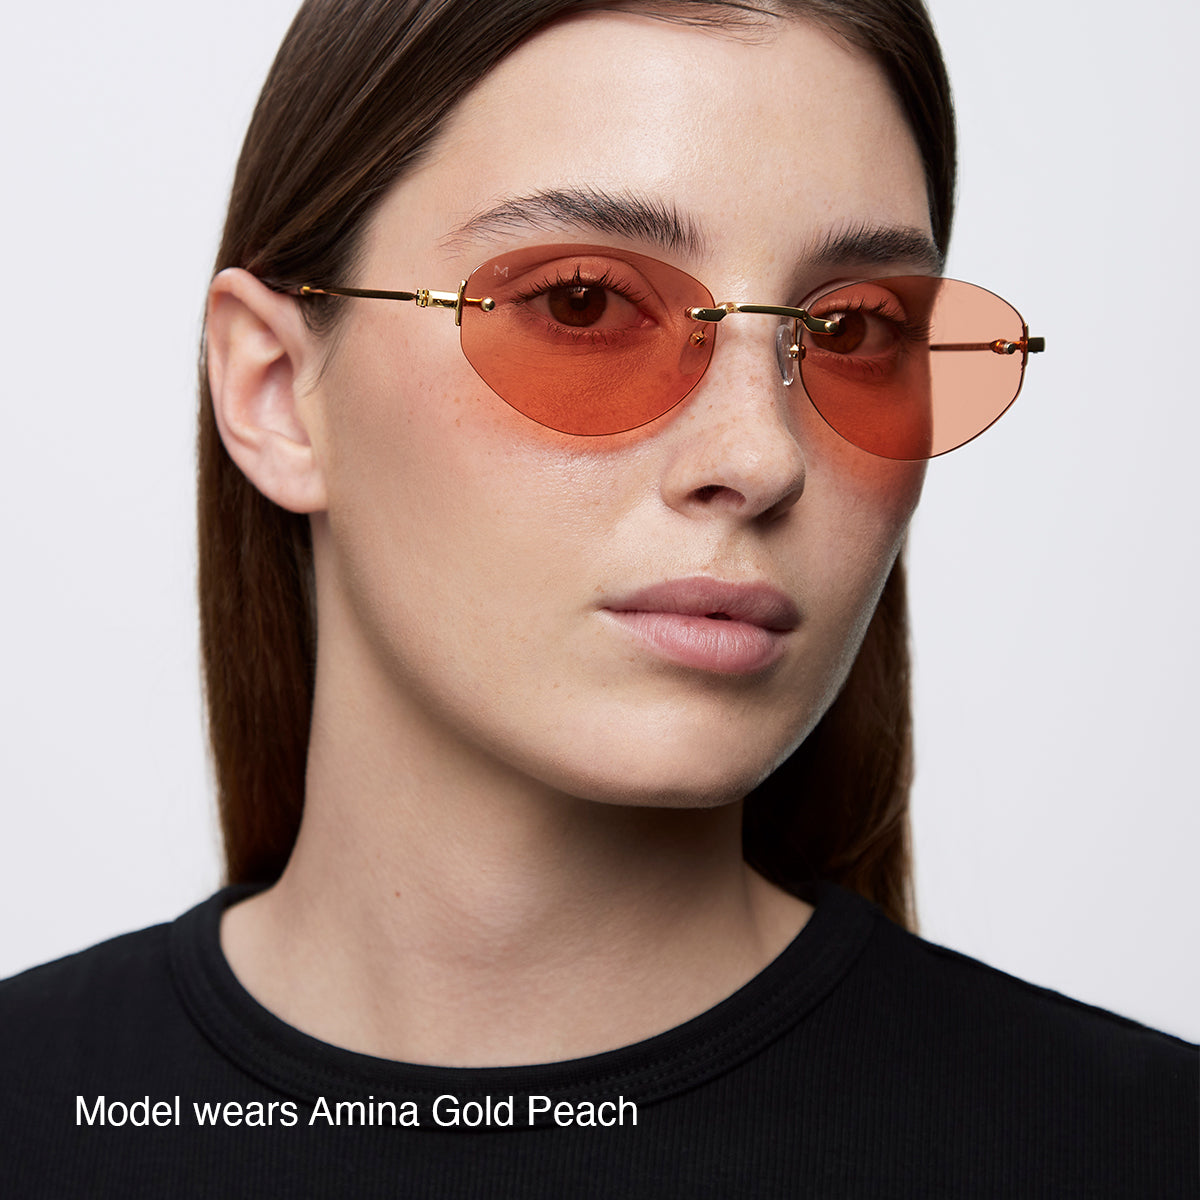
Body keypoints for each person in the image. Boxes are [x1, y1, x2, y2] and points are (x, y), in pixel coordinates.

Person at [2, 1, 1194, 1196]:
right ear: (274, 391)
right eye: (583, 302)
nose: (761, 456)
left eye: (851, 328)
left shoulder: (1136, 1151)